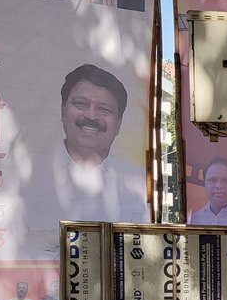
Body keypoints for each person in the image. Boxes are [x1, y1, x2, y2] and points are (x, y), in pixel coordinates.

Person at [29, 65, 148, 242]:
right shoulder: (28, 173)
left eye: (104, 109)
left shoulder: (139, 182)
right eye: (81, 104)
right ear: (63, 110)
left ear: (119, 123)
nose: (91, 116)